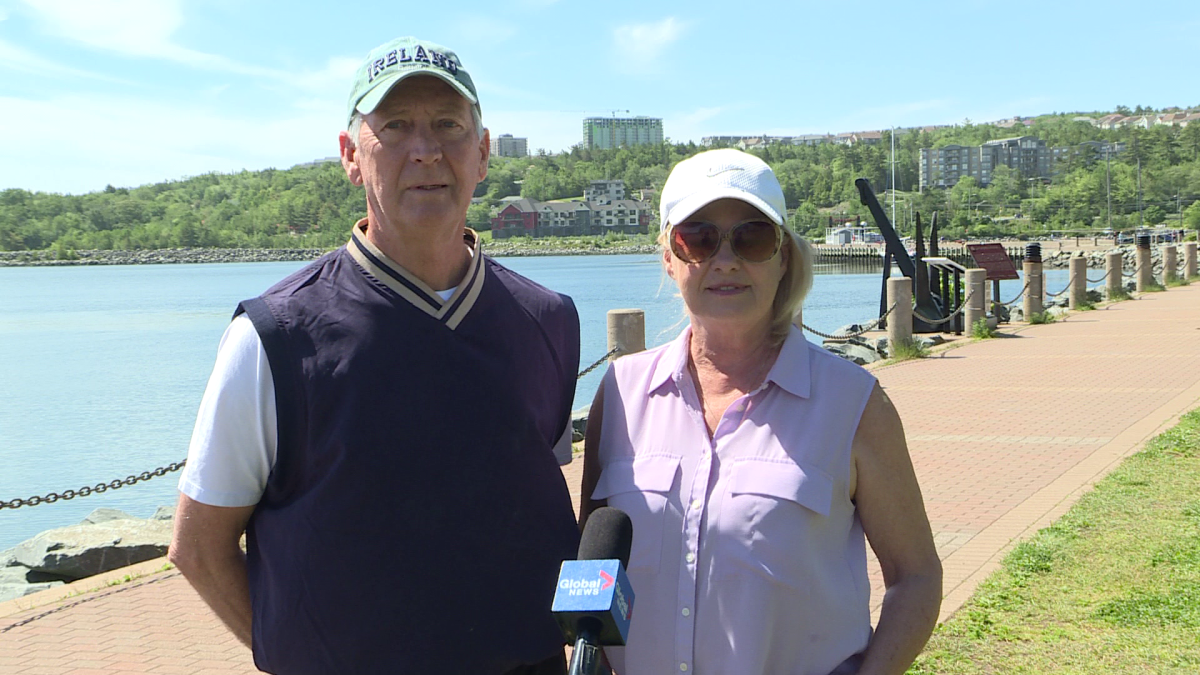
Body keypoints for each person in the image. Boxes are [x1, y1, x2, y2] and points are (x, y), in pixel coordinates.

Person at [169, 36, 581, 675]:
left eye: (448, 124)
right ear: (351, 157)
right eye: (394, 126)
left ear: (482, 150)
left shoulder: (547, 320)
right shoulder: (275, 335)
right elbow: (198, 547)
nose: (426, 149)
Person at [580, 149, 942, 675]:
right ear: (668, 255)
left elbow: (916, 577)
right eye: (698, 237)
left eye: (751, 237)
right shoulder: (620, 395)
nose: (725, 259)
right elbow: (593, 571)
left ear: (784, 257)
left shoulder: (855, 404)